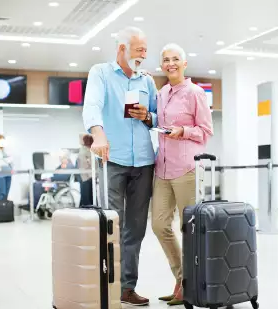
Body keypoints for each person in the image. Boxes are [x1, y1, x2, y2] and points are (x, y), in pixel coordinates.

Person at [82, 26, 157, 307]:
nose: (143, 55)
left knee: (135, 229)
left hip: (144, 162)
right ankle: (108, 284)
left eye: (145, 50)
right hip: (113, 160)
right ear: (122, 49)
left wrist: (147, 115)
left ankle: (127, 287)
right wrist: (98, 133)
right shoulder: (100, 73)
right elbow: (92, 104)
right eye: (139, 50)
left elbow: (159, 116)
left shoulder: (146, 81)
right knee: (113, 224)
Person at [151, 43, 213, 306]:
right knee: (158, 225)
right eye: (166, 60)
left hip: (186, 168)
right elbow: (160, 123)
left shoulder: (196, 92)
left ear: (184, 63)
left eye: (176, 59)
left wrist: (183, 132)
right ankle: (181, 278)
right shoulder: (162, 92)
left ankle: (188, 284)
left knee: (187, 228)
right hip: (162, 169)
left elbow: (206, 131)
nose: (170, 63)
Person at [78, 134, 94, 206]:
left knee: (85, 198)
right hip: (86, 178)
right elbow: (85, 165)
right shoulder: (85, 151)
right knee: (87, 199)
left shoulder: (85, 150)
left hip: (86, 178)